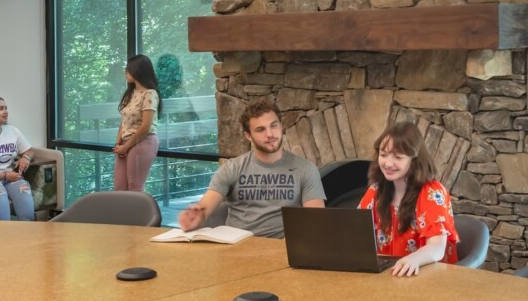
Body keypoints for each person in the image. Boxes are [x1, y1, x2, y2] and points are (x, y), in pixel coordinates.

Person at [177, 98, 324, 238]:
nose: (270, 134)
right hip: (237, 247)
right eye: (260, 129)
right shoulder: (232, 168)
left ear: (281, 126)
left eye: (274, 125)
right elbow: (204, 208)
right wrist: (195, 218)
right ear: (248, 135)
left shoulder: (306, 169)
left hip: (281, 249)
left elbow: (316, 221)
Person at [358, 121, 459, 277]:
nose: (388, 163)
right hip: (388, 275)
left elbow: (437, 247)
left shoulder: (432, 192)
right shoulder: (376, 190)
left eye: (398, 157)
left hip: (428, 277)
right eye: (383, 155)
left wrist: (414, 260)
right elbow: (356, 231)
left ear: (414, 160)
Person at [113, 55, 160, 192]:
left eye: (128, 69)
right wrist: (118, 144)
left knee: (134, 188)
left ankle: (140, 214)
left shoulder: (149, 94)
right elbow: (124, 121)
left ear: (137, 71)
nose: (125, 72)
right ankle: (122, 214)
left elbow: (145, 126)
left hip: (143, 141)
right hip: (125, 143)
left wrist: (126, 146)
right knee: (119, 188)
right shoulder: (131, 93)